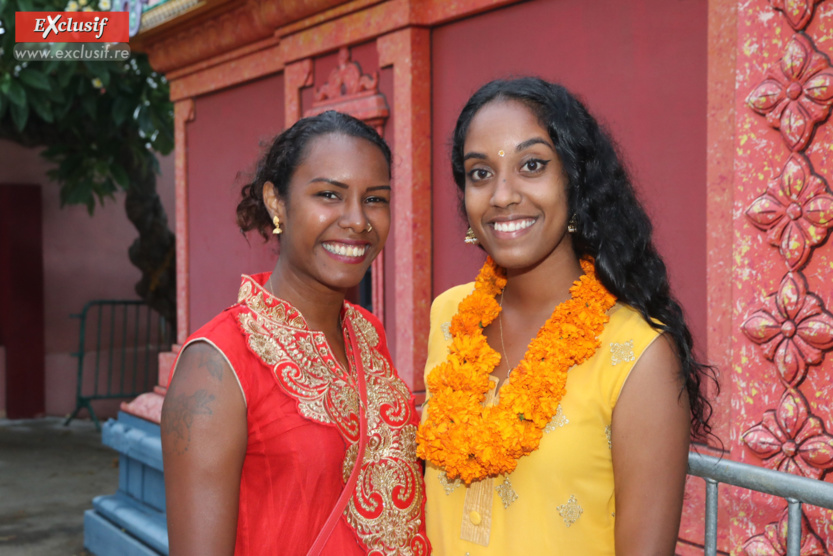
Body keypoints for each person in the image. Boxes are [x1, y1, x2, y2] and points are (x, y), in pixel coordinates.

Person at [417, 77, 716, 555]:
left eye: (531, 165)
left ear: (575, 180)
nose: (502, 195)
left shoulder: (638, 355)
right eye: (480, 173)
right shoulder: (449, 315)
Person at [161, 111, 430, 556]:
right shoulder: (216, 364)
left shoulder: (367, 334)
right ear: (277, 202)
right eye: (329, 194)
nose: (358, 220)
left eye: (376, 199)